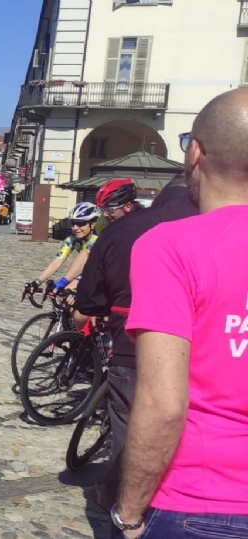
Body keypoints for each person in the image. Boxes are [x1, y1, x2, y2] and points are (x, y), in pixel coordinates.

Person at [114, 88, 248, 538]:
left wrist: (128, 515)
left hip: (203, 501)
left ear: (194, 153)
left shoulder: (171, 246)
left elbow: (164, 404)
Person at [74, 175, 194, 516]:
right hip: (200, 347)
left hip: (133, 342)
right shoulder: (217, 227)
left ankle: (125, 510)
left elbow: (90, 302)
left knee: (130, 425)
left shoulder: (123, 230)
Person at [22, 202, 100, 298]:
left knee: (71, 295)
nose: (75, 228)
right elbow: (57, 261)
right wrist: (37, 282)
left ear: (92, 224)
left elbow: (88, 265)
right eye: (73, 223)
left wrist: (66, 283)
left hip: (102, 275)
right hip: (88, 272)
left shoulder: (97, 239)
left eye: (80, 223)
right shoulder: (72, 240)